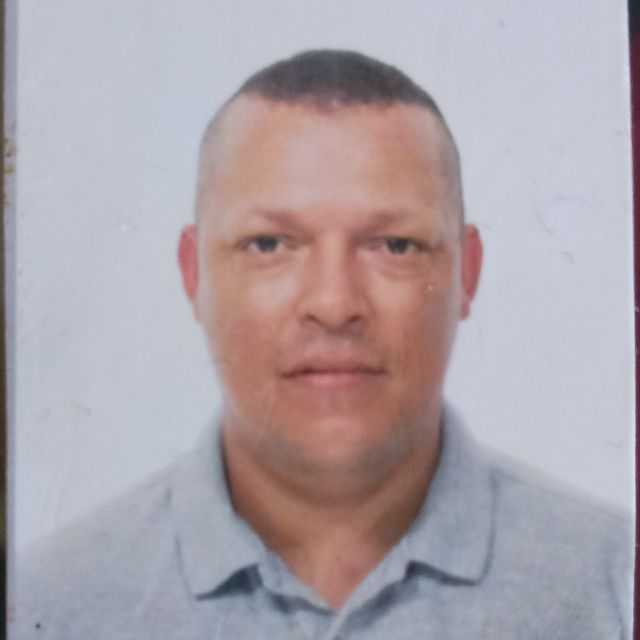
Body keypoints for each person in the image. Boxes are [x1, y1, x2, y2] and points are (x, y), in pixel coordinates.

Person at [11, 49, 633, 639]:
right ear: (193, 274)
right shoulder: (44, 605)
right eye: (269, 245)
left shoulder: (614, 584)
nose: (334, 305)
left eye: (394, 246)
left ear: (467, 274)